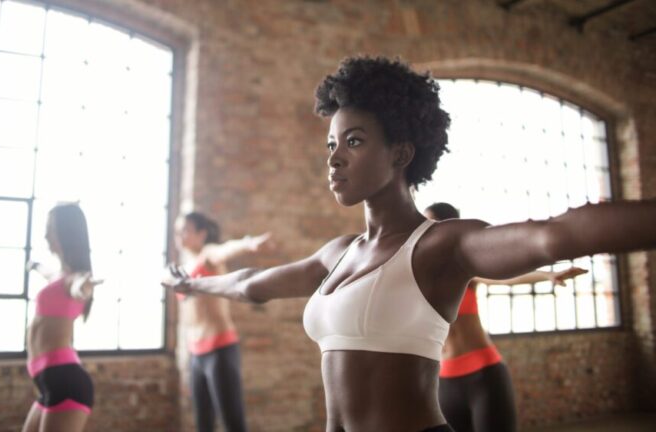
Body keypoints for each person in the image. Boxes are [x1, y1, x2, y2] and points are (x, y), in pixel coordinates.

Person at [162, 56, 656, 432]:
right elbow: (252, 284)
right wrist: (193, 284)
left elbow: (554, 236)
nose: (334, 159)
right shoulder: (338, 253)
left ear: (400, 153)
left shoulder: (441, 246)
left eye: (353, 141)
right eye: (331, 145)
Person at [425, 202, 586, 432]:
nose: (426, 230)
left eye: (431, 223)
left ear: (446, 227)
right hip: (444, 382)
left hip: (483, 376)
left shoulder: (465, 271)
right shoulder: (421, 276)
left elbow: (505, 276)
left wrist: (545, 275)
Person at [174, 211, 272, 432]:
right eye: (177, 232)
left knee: (232, 424)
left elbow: (224, 250)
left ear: (202, 233)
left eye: (185, 231)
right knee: (203, 425)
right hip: (195, 355)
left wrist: (249, 243)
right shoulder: (183, 267)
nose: (179, 236)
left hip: (219, 350)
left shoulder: (207, 255)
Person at [22, 203, 102, 432]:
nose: (46, 235)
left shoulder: (76, 279)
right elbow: (50, 274)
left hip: (66, 381)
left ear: (66, 232)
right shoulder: (60, 276)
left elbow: (79, 286)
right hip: (48, 383)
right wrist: (35, 266)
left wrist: (85, 287)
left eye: (51, 228)